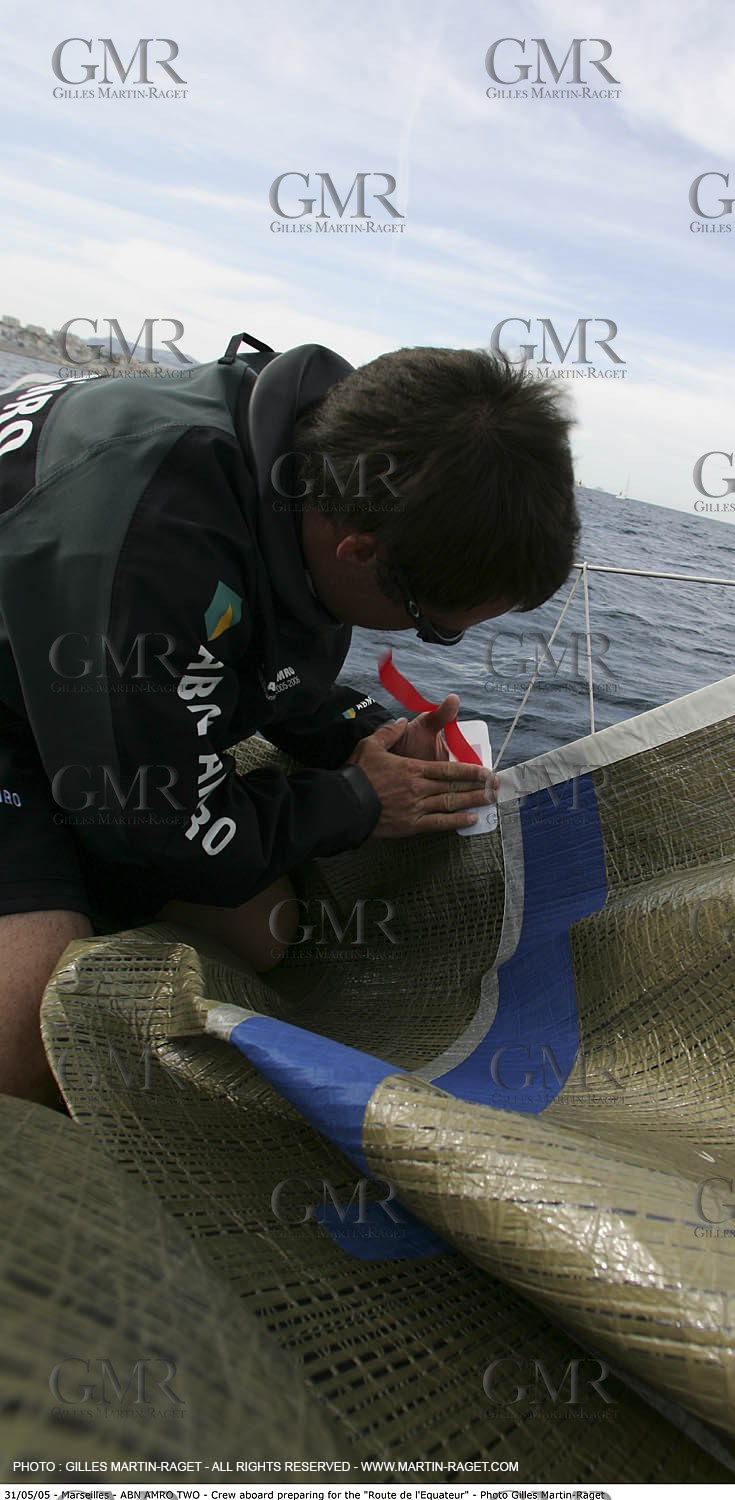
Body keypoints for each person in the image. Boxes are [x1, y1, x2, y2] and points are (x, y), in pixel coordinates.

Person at [0, 334, 579, 1107]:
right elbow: (159, 829)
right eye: (435, 627)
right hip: (23, 720)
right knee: (36, 1045)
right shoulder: (153, 544)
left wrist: (358, 732)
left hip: (72, 691)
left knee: (260, 929)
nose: (428, 641)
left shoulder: (305, 464)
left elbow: (241, 653)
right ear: (360, 551)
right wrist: (363, 801)